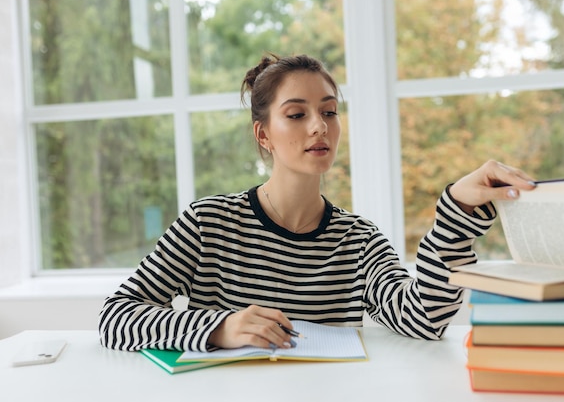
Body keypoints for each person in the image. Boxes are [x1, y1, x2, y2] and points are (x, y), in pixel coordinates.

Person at [98, 53, 536, 352]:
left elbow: (423, 320)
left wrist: (455, 213)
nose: (318, 127)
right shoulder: (207, 222)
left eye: (329, 112)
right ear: (263, 135)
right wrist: (219, 327)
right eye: (296, 114)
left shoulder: (359, 239)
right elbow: (115, 318)